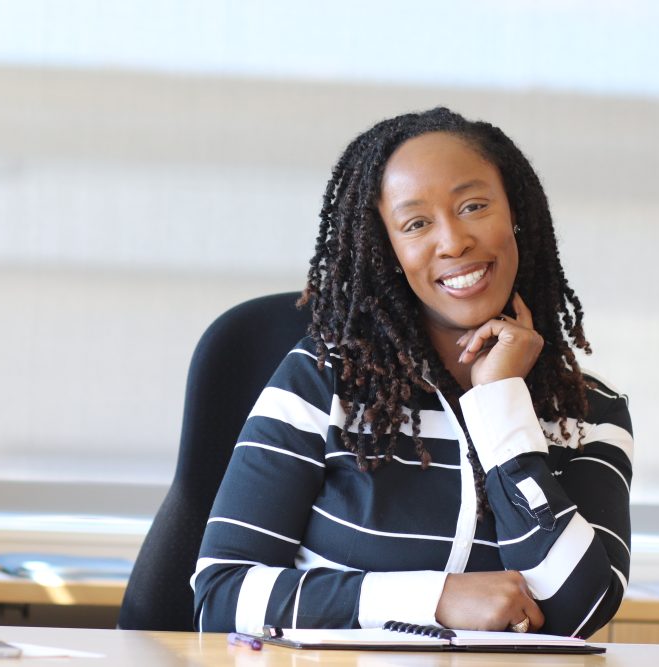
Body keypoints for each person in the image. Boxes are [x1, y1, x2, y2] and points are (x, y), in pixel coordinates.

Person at [191, 107, 632, 638]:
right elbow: (221, 595)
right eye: (416, 223)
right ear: (390, 250)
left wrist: (501, 406)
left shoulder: (588, 413)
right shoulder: (324, 380)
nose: (453, 242)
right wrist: (436, 599)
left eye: (473, 206)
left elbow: (581, 612)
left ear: (515, 213)